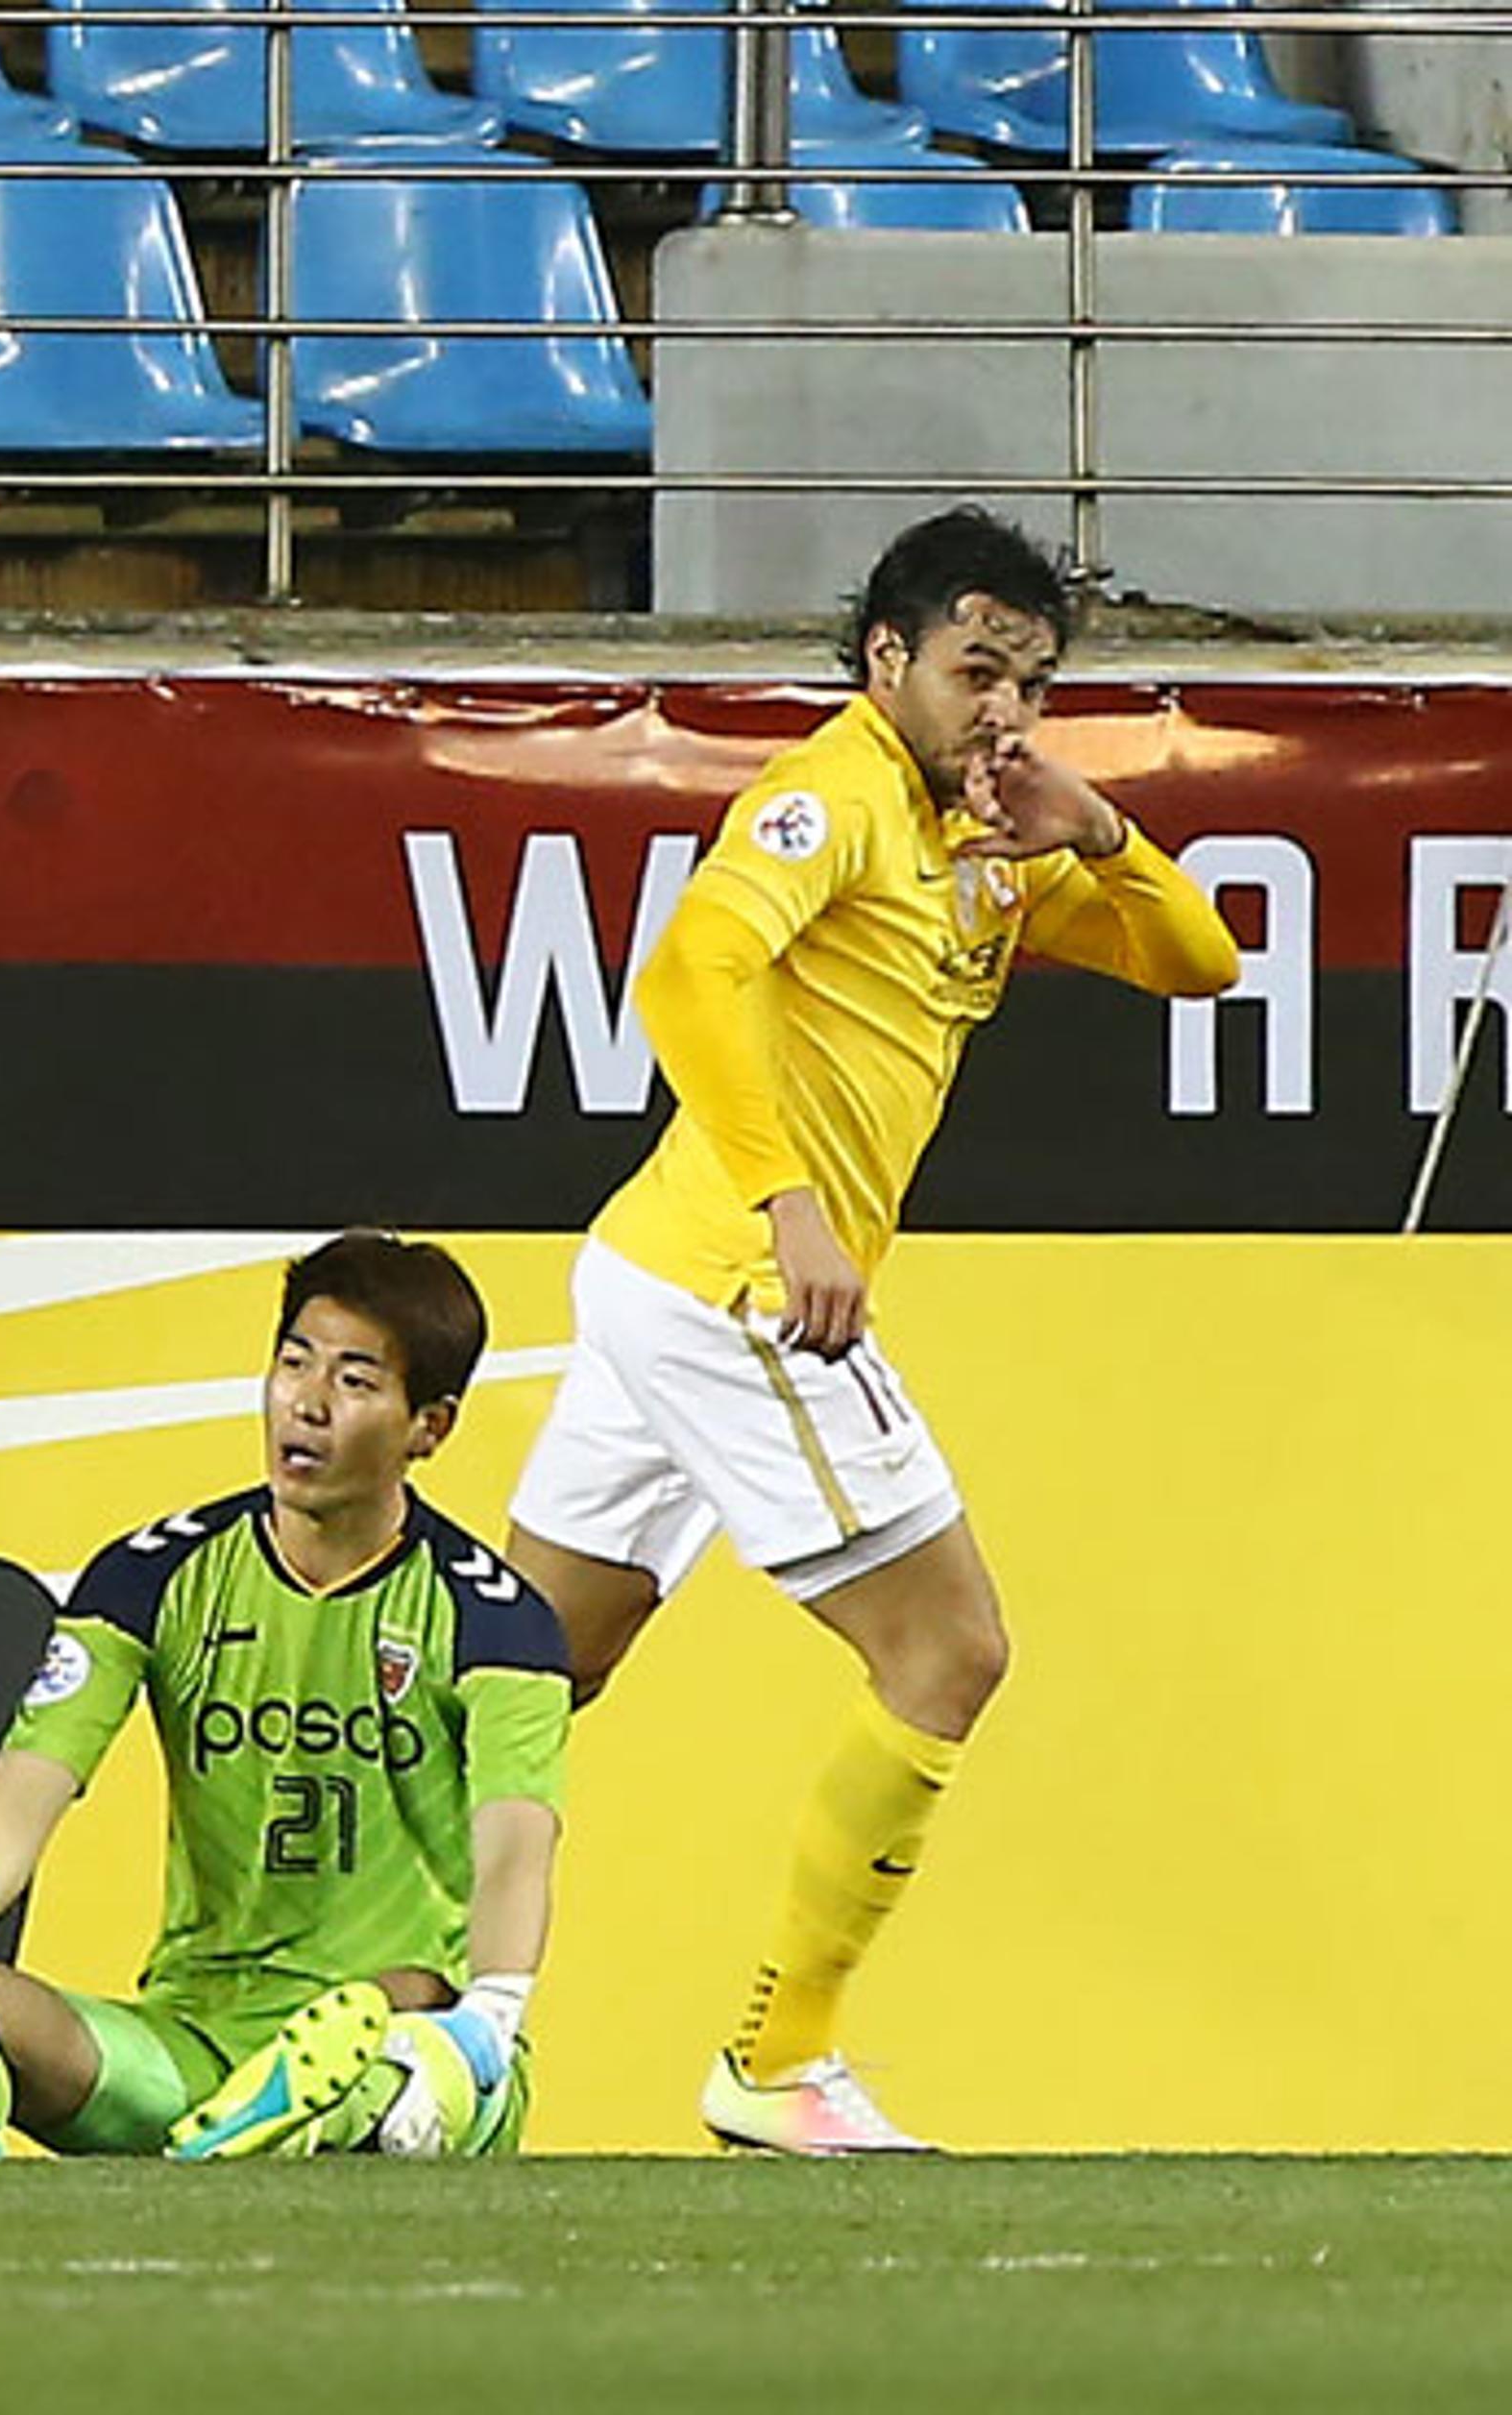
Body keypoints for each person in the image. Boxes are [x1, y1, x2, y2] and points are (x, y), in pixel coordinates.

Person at [501, 507, 1243, 2154]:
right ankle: (780, 2055)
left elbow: (1203, 963)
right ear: (885, 660)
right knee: (950, 1648)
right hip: (734, 1285)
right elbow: (693, 970)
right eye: (977, 672)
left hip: (656, 1279)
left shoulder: (982, 834)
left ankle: (351, 1989)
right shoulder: (832, 791)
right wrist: (792, 1203)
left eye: (1031, 684)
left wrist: (1097, 827)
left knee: (531, 1672)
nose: (1005, 712)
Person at [0, 1233, 567, 2162]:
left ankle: (333, 2099)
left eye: (356, 1382)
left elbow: (515, 1847)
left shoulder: (496, 1619)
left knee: (399, 2015)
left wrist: (490, 2016)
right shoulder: (152, 1576)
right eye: (294, 1364)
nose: (309, 1404)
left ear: (428, 1427)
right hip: (190, 2051)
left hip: (413, 2045)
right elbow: (25, 1789)